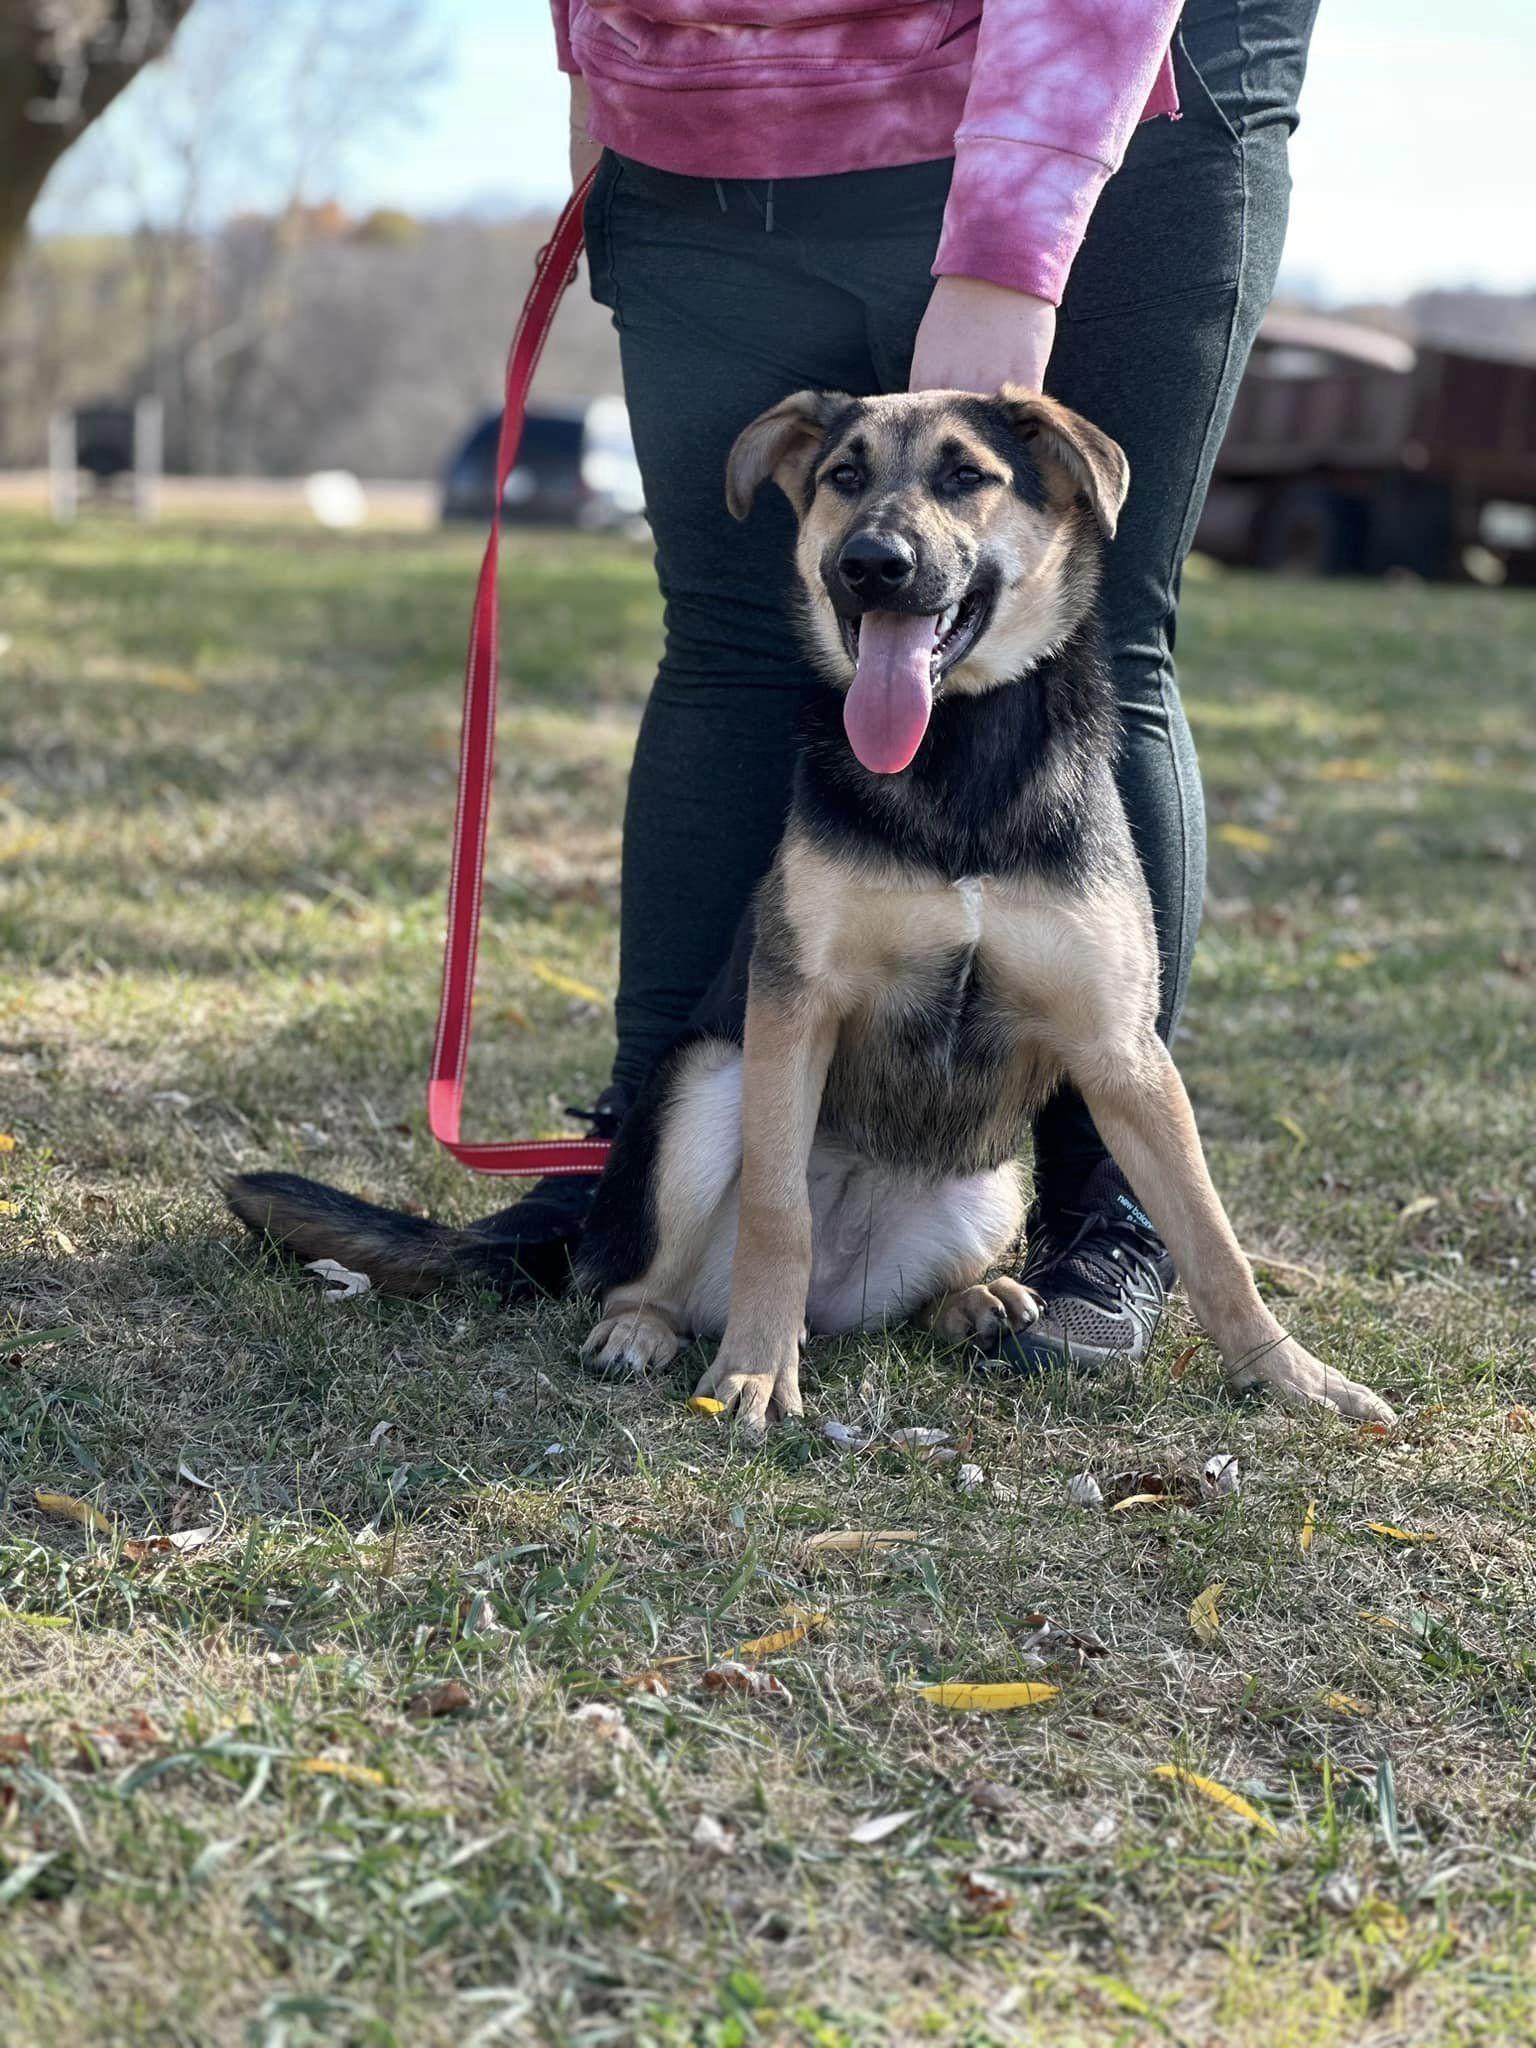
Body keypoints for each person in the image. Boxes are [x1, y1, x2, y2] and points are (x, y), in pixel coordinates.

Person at [496, 0, 1321, 1372]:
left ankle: (1102, 1225)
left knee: (1112, 638)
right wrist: (601, 70)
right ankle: (640, 1180)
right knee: (724, 643)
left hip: (1090, 87)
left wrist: (1012, 238)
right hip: (700, 122)